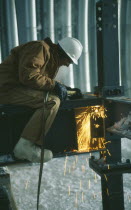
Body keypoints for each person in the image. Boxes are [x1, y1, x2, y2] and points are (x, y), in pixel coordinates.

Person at [0, 37, 83, 163]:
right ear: (63, 53)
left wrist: (67, 90)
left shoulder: (49, 57)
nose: (67, 64)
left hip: (15, 88)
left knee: (52, 98)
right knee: (51, 101)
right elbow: (29, 76)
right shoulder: (40, 48)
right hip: (6, 89)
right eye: (69, 61)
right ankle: (25, 146)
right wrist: (55, 86)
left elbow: (41, 81)